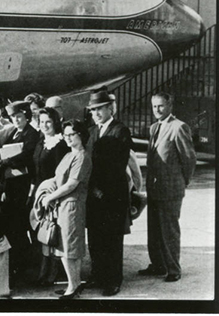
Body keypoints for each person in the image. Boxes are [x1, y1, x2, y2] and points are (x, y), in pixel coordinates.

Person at [139, 92, 197, 282]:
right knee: (154, 230)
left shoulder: (178, 127)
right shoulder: (155, 127)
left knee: (169, 231)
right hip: (155, 189)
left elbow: (188, 159)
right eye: (154, 106)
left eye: (161, 106)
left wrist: (182, 182)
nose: (157, 110)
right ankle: (157, 265)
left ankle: (173, 269)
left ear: (170, 105)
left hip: (171, 189)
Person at [84, 89, 133, 296]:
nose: (95, 113)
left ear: (109, 108)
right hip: (94, 194)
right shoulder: (92, 132)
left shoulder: (120, 130)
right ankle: (97, 274)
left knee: (112, 239)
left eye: (99, 109)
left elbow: (118, 166)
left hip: (112, 195)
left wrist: (102, 189)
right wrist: (92, 187)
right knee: (95, 238)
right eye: (93, 110)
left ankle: (113, 280)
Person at [40, 119, 93, 299]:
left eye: (72, 134)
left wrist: (50, 197)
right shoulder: (68, 155)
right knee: (65, 246)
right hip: (63, 205)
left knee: (70, 247)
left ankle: (73, 286)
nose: (68, 138)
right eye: (66, 135)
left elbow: (71, 184)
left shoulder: (82, 157)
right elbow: (57, 179)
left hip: (72, 205)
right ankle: (74, 284)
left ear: (81, 135)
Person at [0, 101, 38, 284]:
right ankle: (17, 263)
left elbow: (27, 155)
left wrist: (7, 161)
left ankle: (24, 264)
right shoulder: (13, 132)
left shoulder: (32, 134)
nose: (16, 120)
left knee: (20, 225)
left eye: (19, 117)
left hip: (24, 185)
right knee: (13, 225)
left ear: (26, 116)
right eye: (13, 117)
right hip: (11, 185)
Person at [29, 107, 69, 285]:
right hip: (38, 193)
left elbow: (60, 174)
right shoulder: (40, 142)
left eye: (48, 122)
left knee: (52, 233)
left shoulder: (60, 144)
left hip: (52, 194)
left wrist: (51, 197)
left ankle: (53, 273)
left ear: (55, 123)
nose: (44, 125)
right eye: (42, 122)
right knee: (41, 232)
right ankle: (43, 270)